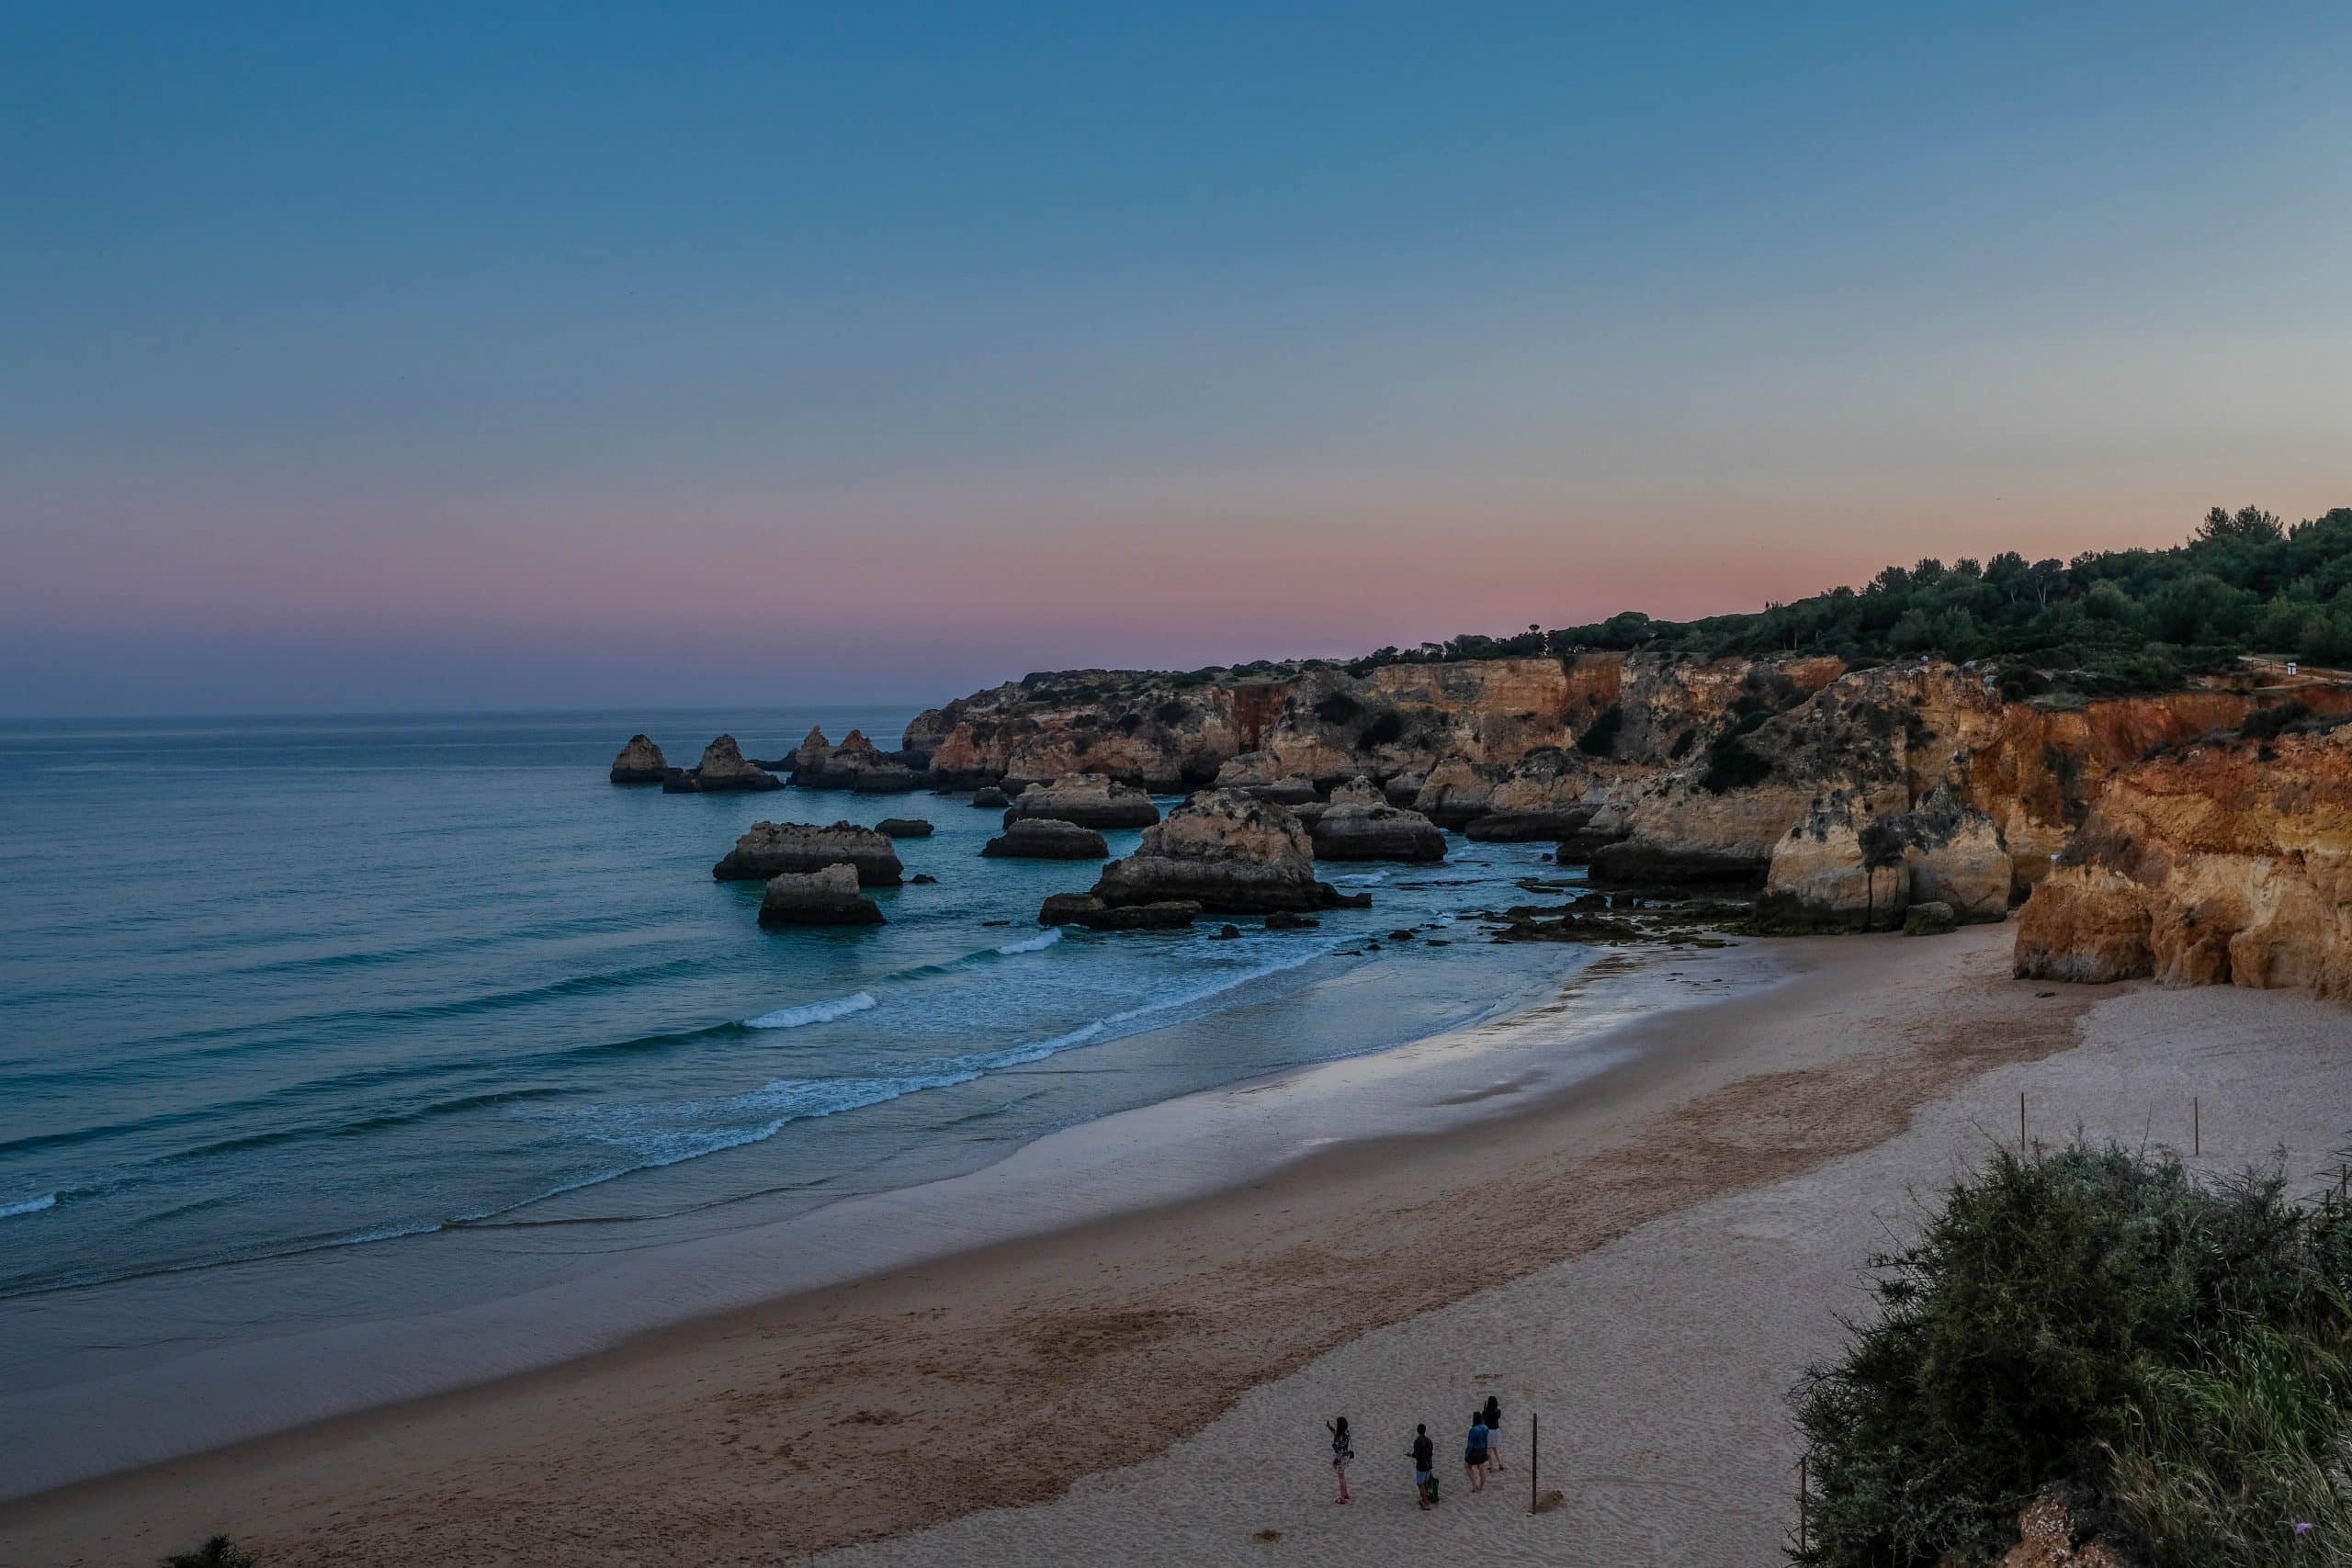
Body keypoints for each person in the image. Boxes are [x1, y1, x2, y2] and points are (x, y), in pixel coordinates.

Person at [1408, 1423, 1437, 1509]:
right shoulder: (1429, 1440)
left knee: (1420, 1484)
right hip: (1429, 1464)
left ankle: (1426, 1504)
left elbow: (1416, 1454)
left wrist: (1410, 1455)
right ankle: (1424, 1499)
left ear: (1418, 1431)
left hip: (1421, 1466)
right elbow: (1431, 1453)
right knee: (1425, 1483)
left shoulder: (1417, 1441)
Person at [1328, 1416, 1353, 1504]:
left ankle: (1342, 1498)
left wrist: (1336, 1461)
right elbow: (1337, 1434)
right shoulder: (1346, 1433)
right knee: (1343, 1476)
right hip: (1346, 1457)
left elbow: (1339, 1451)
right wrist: (1330, 1428)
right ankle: (1346, 1494)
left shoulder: (1340, 1437)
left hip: (1341, 1458)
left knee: (1340, 1478)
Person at [1464, 1410, 1490, 1492]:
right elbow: (1487, 1440)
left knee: (1467, 1466)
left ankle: (1474, 1485)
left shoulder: (1473, 1430)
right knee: (1482, 1468)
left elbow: (1470, 1444)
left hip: (1475, 1451)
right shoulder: (1486, 1427)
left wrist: (1467, 1454)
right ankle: (1482, 1486)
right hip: (1483, 1449)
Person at [1482, 1393, 1504, 1471]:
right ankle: (1500, 1463)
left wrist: (1484, 1412)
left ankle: (1491, 1467)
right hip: (1496, 1430)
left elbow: (1484, 1420)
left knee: (1489, 1449)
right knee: (1494, 1448)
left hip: (1489, 1431)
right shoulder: (1498, 1411)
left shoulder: (1486, 1412)